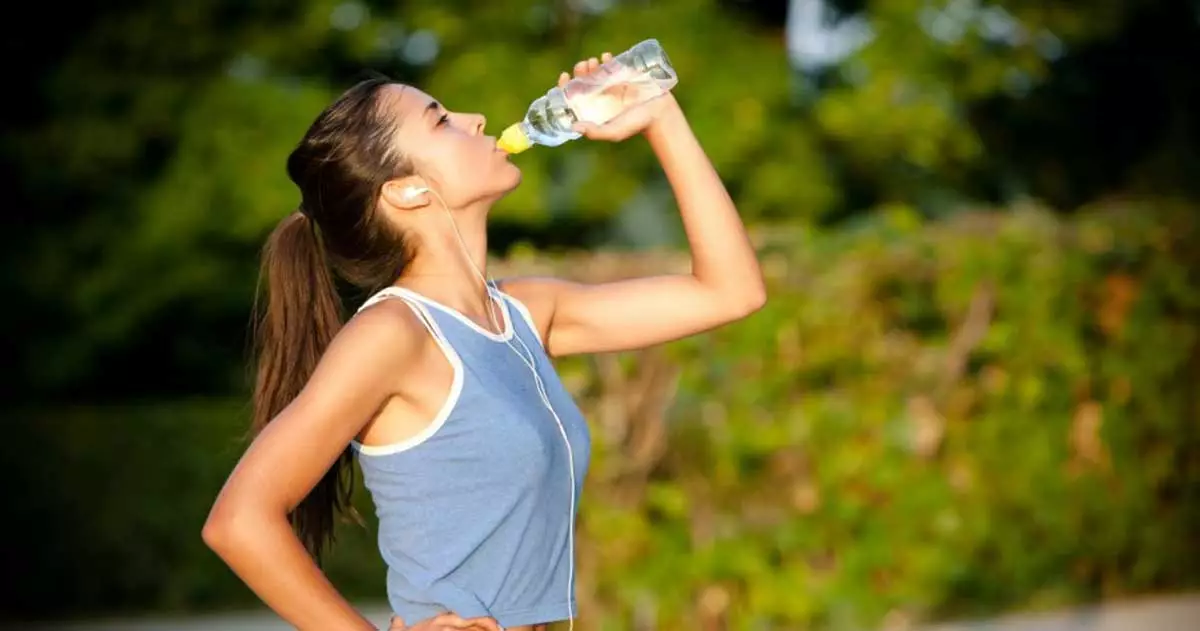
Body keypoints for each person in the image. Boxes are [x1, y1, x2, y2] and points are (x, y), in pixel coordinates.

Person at [201, 52, 766, 631]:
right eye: (440, 120)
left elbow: (731, 291)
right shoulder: (393, 334)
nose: (474, 119)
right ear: (408, 191)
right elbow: (239, 519)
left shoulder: (524, 314)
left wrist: (660, 117)